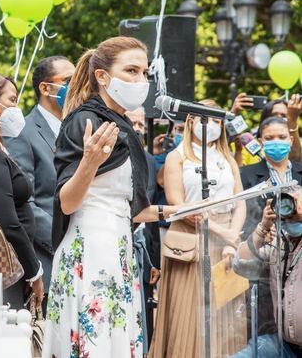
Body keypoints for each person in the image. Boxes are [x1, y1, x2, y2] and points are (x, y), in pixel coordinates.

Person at [43, 37, 187, 358]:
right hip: (91, 250)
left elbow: (129, 207)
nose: (140, 81)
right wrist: (89, 163)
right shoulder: (85, 120)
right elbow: (67, 202)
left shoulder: (122, 125)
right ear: (102, 77)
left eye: (145, 73)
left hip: (117, 246)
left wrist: (178, 210)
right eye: (131, 71)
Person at [150, 100, 248, 358]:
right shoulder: (177, 157)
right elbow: (178, 205)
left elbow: (241, 203)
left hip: (226, 241)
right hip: (190, 240)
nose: (211, 125)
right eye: (204, 119)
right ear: (190, 122)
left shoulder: (228, 159)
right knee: (189, 314)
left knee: (225, 317)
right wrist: (221, 231)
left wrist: (230, 239)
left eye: (216, 120)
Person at [0, 72, 45, 309]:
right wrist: (34, 272)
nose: (16, 108)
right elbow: (7, 221)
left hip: (9, 265)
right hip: (2, 267)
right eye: (12, 100)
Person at [5, 55, 75, 308]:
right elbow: (26, 202)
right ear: (45, 88)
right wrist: (65, 240)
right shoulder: (22, 132)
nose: (76, 86)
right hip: (47, 255)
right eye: (69, 80)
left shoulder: (77, 128)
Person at [232, 196, 302, 357]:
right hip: (285, 345)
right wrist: (263, 226)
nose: (293, 210)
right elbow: (241, 265)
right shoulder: (282, 243)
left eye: (297, 202)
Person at [125, 106, 161, 347]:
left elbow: (148, 206)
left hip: (142, 250)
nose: (138, 129)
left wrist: (154, 262)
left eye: (141, 125)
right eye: (133, 123)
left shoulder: (148, 160)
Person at [231, 94, 302, 164]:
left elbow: (297, 160)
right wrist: (233, 112)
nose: (278, 119)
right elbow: (238, 172)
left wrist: (292, 120)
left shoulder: (297, 144)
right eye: (274, 115)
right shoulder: (248, 144)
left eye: (284, 115)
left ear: (291, 140)